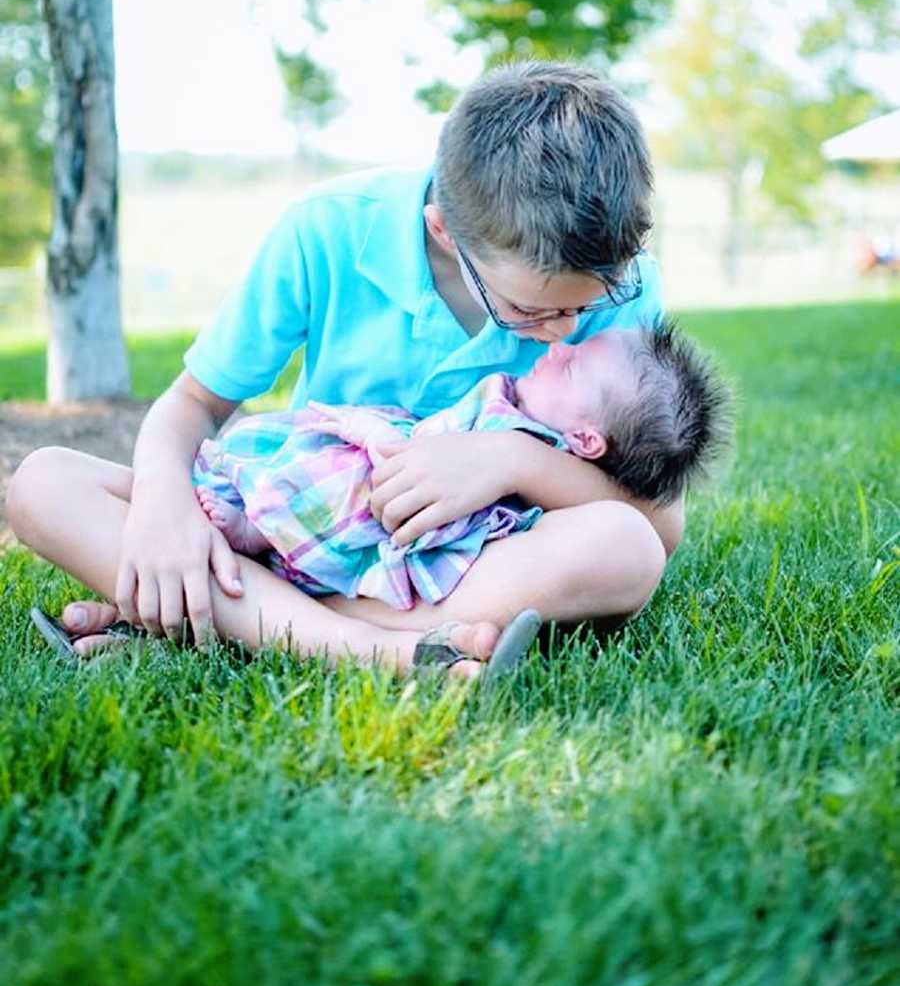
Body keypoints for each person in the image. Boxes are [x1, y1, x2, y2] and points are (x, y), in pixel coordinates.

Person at [8, 61, 683, 678]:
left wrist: (508, 460)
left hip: (457, 564)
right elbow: (191, 405)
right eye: (529, 312)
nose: (564, 335)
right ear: (445, 231)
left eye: (584, 308)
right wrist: (163, 507)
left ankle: (232, 626)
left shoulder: (615, 284)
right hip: (287, 525)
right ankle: (381, 651)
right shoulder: (325, 230)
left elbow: (660, 523)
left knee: (625, 548)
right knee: (42, 485)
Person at [193, 320, 730, 612]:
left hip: (402, 510)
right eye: (576, 346)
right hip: (412, 506)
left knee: (342, 487)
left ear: (587, 440)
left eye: (574, 369)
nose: (562, 347)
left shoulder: (518, 426)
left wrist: (371, 431)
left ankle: (259, 535)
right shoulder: (525, 409)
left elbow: (422, 468)